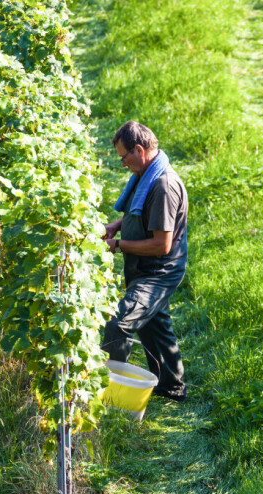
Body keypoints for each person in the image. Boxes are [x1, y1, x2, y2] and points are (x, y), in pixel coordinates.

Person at [102, 121, 189, 402]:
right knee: (154, 324)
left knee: (118, 323)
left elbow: (161, 245)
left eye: (124, 157)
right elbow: (142, 213)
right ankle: (171, 387)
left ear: (139, 150)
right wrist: (119, 224)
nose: (123, 163)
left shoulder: (163, 185)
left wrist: (116, 245)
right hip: (145, 267)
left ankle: (113, 393)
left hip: (158, 271)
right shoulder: (148, 173)